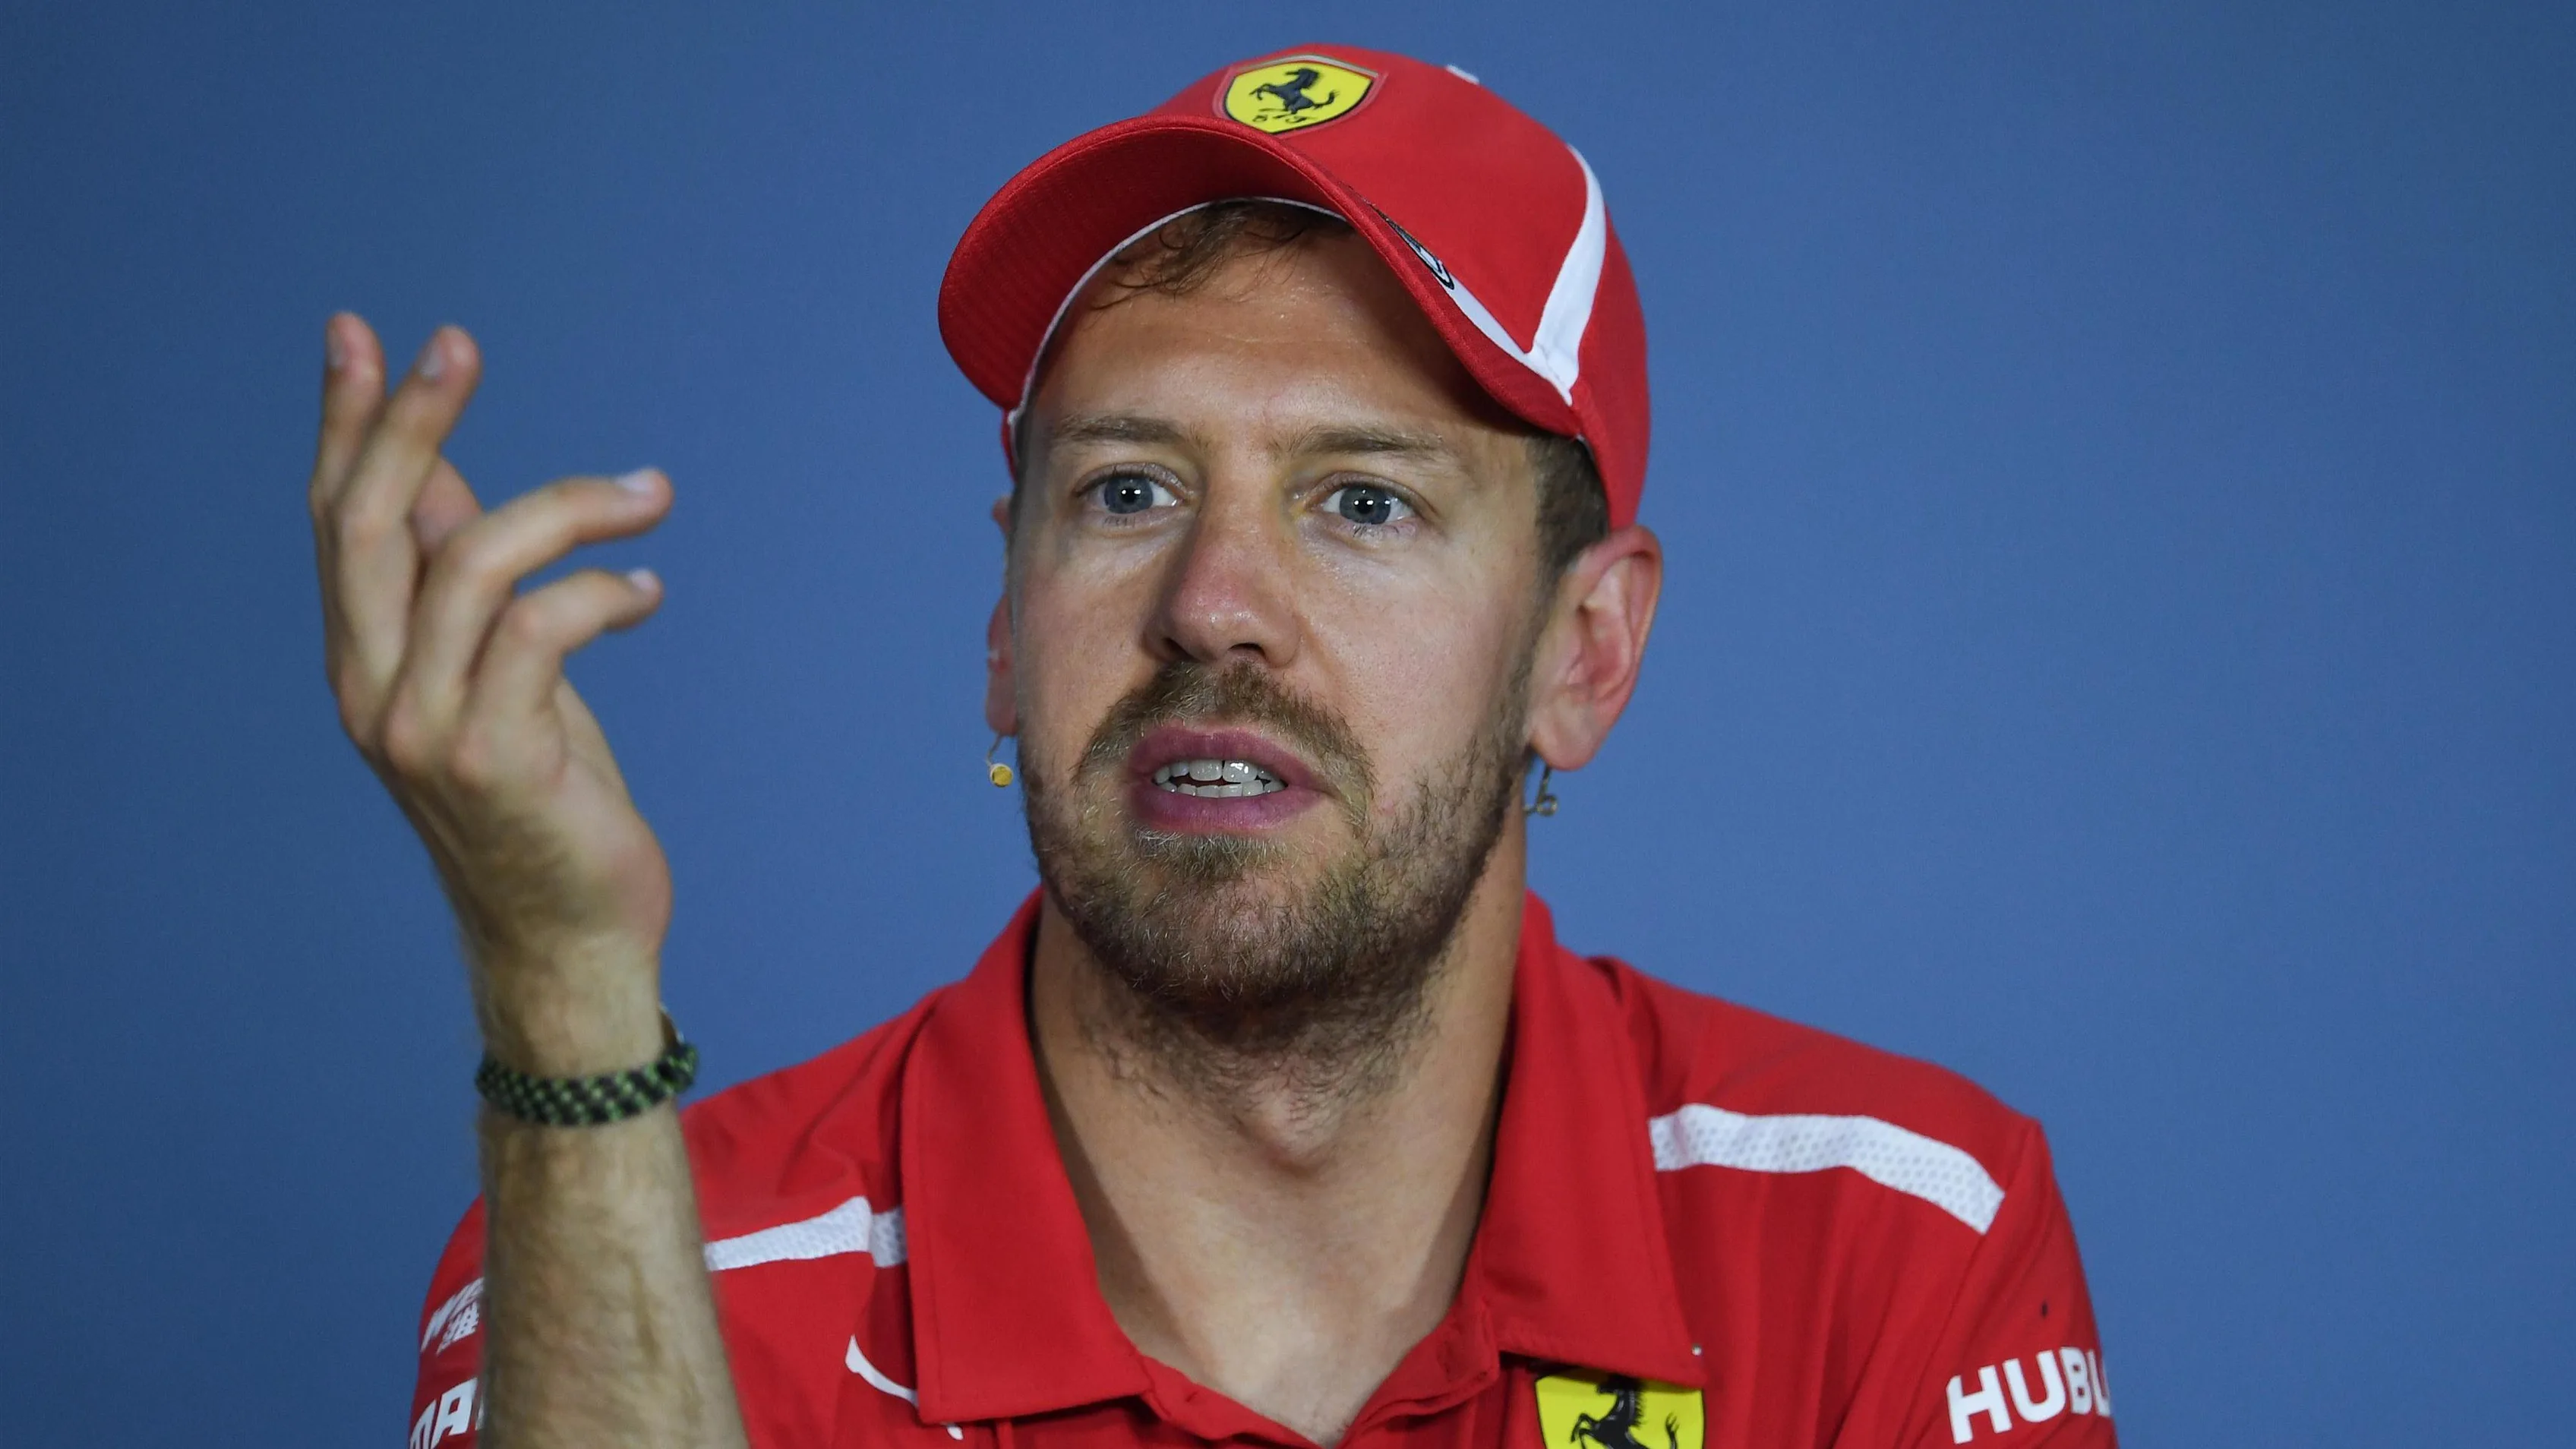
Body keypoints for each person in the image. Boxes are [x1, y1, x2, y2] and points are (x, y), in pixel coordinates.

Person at [311, 43, 2116, 1449]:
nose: (1212, 605)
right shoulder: (647, 1258)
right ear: (1005, 629)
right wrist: (561, 983)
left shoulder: (1892, 1242)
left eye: (1361, 501)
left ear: (1584, 651)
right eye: (1126, 490)